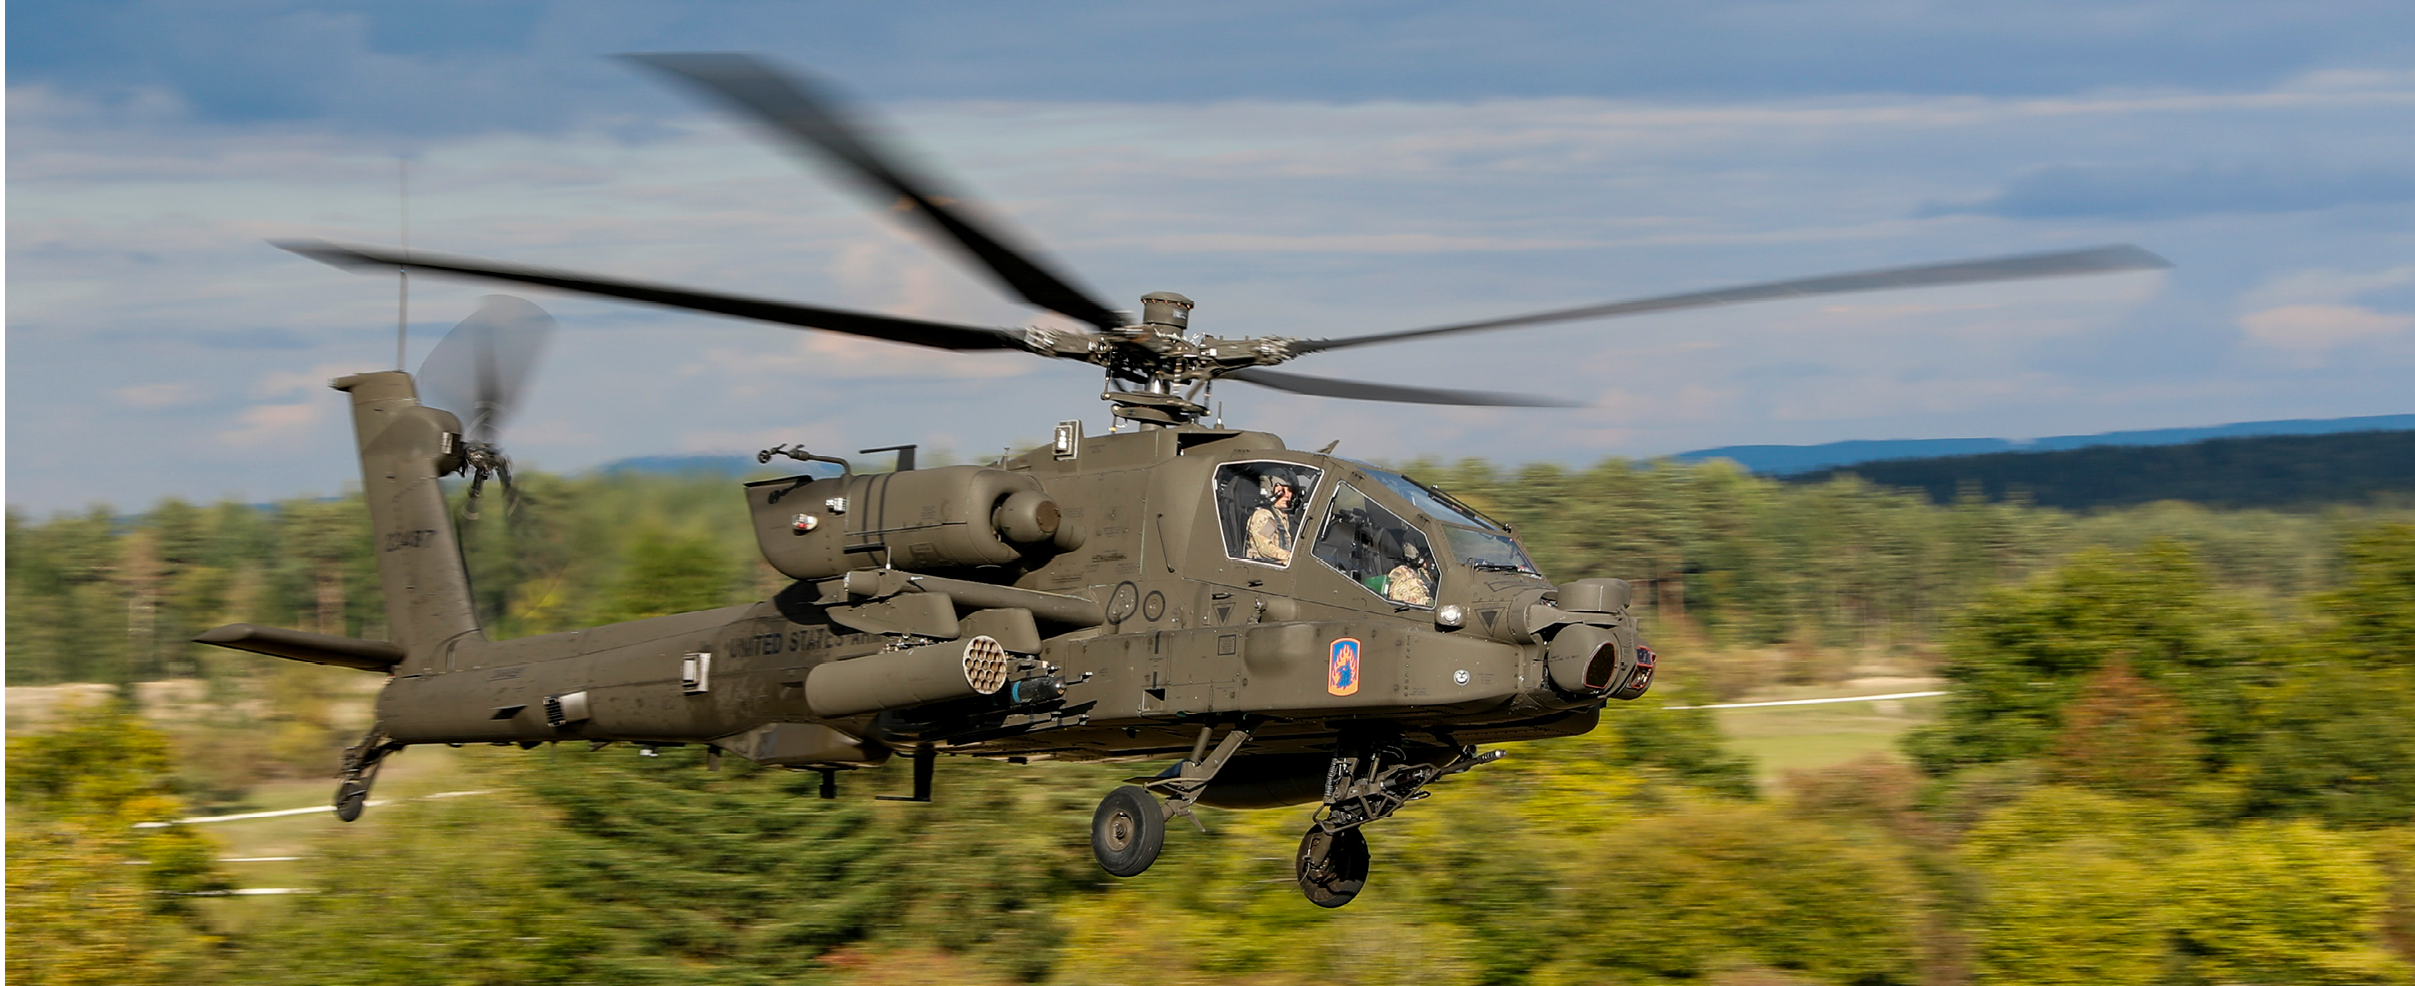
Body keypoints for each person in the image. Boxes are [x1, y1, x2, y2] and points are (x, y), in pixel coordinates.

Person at [1245, 478, 1300, 564]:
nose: (1287, 495)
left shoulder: (1282, 516)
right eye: (1281, 490)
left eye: (1290, 490)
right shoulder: (1264, 515)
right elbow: (1265, 547)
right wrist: (1291, 557)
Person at [1385, 540, 1434, 606]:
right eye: (1427, 558)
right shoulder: (1401, 572)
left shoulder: (1424, 573)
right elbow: (1397, 597)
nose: (1430, 561)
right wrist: (1426, 602)